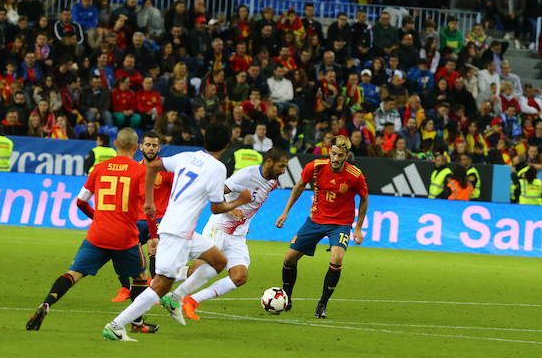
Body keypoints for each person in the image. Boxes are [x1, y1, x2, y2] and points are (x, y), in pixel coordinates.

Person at [101, 124, 252, 341]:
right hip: (177, 232)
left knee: (218, 261)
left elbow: (152, 166)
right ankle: (116, 325)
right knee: (161, 284)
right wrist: (241, 200)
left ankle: (176, 297)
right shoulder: (218, 168)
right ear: (227, 145)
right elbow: (216, 208)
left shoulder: (187, 156)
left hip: (183, 230)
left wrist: (150, 201)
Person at [25, 128, 158, 335]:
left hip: (98, 233)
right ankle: (137, 323)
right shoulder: (140, 171)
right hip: (124, 236)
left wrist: (97, 217)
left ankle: (46, 304)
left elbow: (80, 201)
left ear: (115, 144)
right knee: (140, 276)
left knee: (74, 274)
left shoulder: (99, 168)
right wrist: (154, 235)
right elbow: (149, 209)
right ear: (136, 147)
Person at [176, 148, 290, 320]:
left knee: (239, 276)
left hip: (237, 235)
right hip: (219, 228)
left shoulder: (273, 182)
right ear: (269, 162)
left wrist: (245, 222)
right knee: (198, 271)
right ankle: (158, 283)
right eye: (281, 166)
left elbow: (252, 204)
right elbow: (216, 192)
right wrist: (231, 210)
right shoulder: (245, 175)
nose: (283, 171)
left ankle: (191, 301)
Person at [275, 135, 369, 319]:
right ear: (329, 151)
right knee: (289, 258)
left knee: (337, 258)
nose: (335, 158)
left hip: (341, 224)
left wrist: (358, 228)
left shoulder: (355, 175)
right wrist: (285, 212)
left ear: (346, 156)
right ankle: (287, 296)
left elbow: (364, 199)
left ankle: (322, 304)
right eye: (333, 153)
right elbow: (299, 187)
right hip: (316, 220)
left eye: (340, 155)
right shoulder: (315, 167)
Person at [110, 132, 174, 303]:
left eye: (154, 145)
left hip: (160, 219)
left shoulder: (166, 170)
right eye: (148, 145)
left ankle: (154, 288)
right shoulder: (135, 169)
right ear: (140, 147)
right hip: (137, 219)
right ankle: (126, 288)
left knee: (156, 249)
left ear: (159, 148)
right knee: (118, 247)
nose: (151, 148)